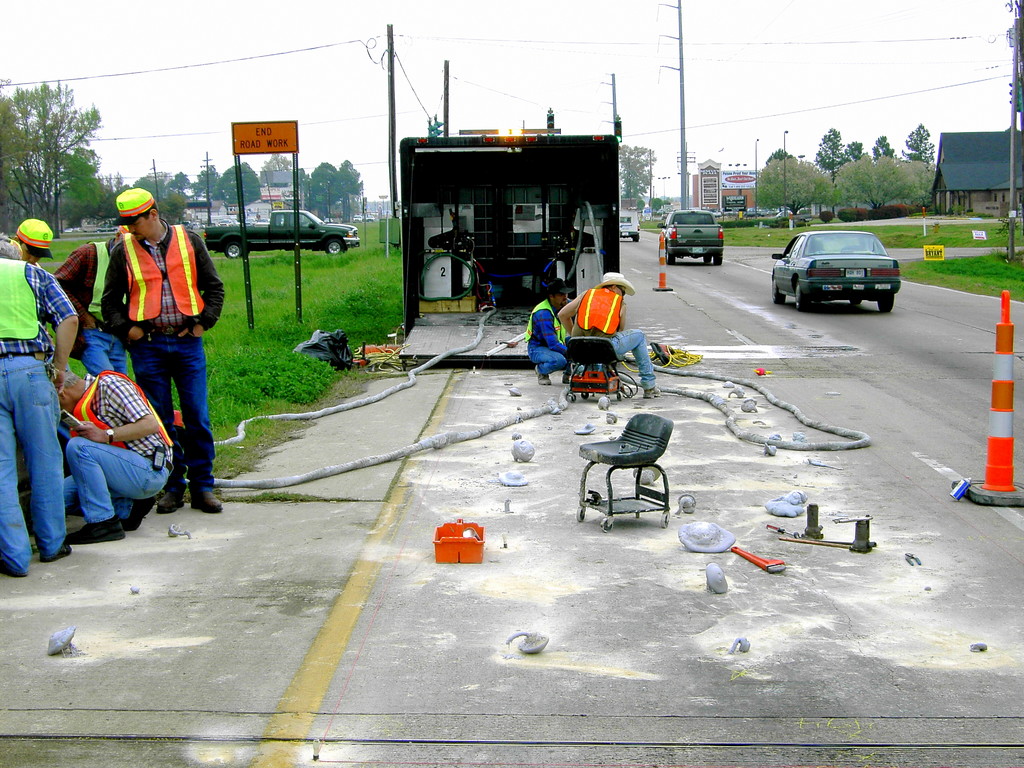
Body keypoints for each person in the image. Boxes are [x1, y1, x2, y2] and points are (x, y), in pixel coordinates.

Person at [101, 188, 226, 515]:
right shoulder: (123, 250)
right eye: (125, 223)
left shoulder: (189, 241)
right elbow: (110, 302)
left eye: (135, 221)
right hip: (149, 347)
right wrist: (129, 329)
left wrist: (204, 322)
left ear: (153, 214)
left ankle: (203, 486)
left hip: (187, 343)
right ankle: (171, 487)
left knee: (196, 415)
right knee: (159, 420)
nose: (129, 228)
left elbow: (214, 287)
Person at [0, 225, 78, 576]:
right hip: (31, 373)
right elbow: (69, 318)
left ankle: (14, 557)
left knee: (1, 472)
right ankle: (51, 544)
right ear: (16, 251)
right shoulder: (32, 273)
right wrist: (59, 367)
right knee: (45, 461)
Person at [58, 371, 173, 542]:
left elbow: (150, 424)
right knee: (54, 500)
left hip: (149, 470)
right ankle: (127, 509)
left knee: (78, 447)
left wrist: (106, 435)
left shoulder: (110, 384)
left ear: (61, 393)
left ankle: (103, 523)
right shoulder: (80, 405)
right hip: (119, 471)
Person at [557, 271, 661, 398]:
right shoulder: (619, 302)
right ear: (613, 287)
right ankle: (649, 385)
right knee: (639, 336)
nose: (622, 295)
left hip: (579, 349)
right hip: (606, 349)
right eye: (622, 291)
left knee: (579, 342)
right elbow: (620, 330)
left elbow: (562, 315)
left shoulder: (586, 295)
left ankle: (580, 373)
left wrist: (575, 337)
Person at [55, 228, 129, 375]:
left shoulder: (135, 259)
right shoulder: (89, 253)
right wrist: (84, 317)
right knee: (107, 382)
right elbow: (57, 285)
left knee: (122, 386)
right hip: (92, 332)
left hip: (118, 335)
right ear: (118, 236)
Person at [525, 278, 570, 385]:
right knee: (559, 360)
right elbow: (553, 344)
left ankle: (568, 375)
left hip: (557, 342)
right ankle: (541, 370)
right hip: (538, 348)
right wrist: (572, 352)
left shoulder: (562, 303)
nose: (565, 297)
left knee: (578, 343)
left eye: (566, 294)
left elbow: (579, 304)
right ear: (551, 296)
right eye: (561, 294)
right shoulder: (543, 314)